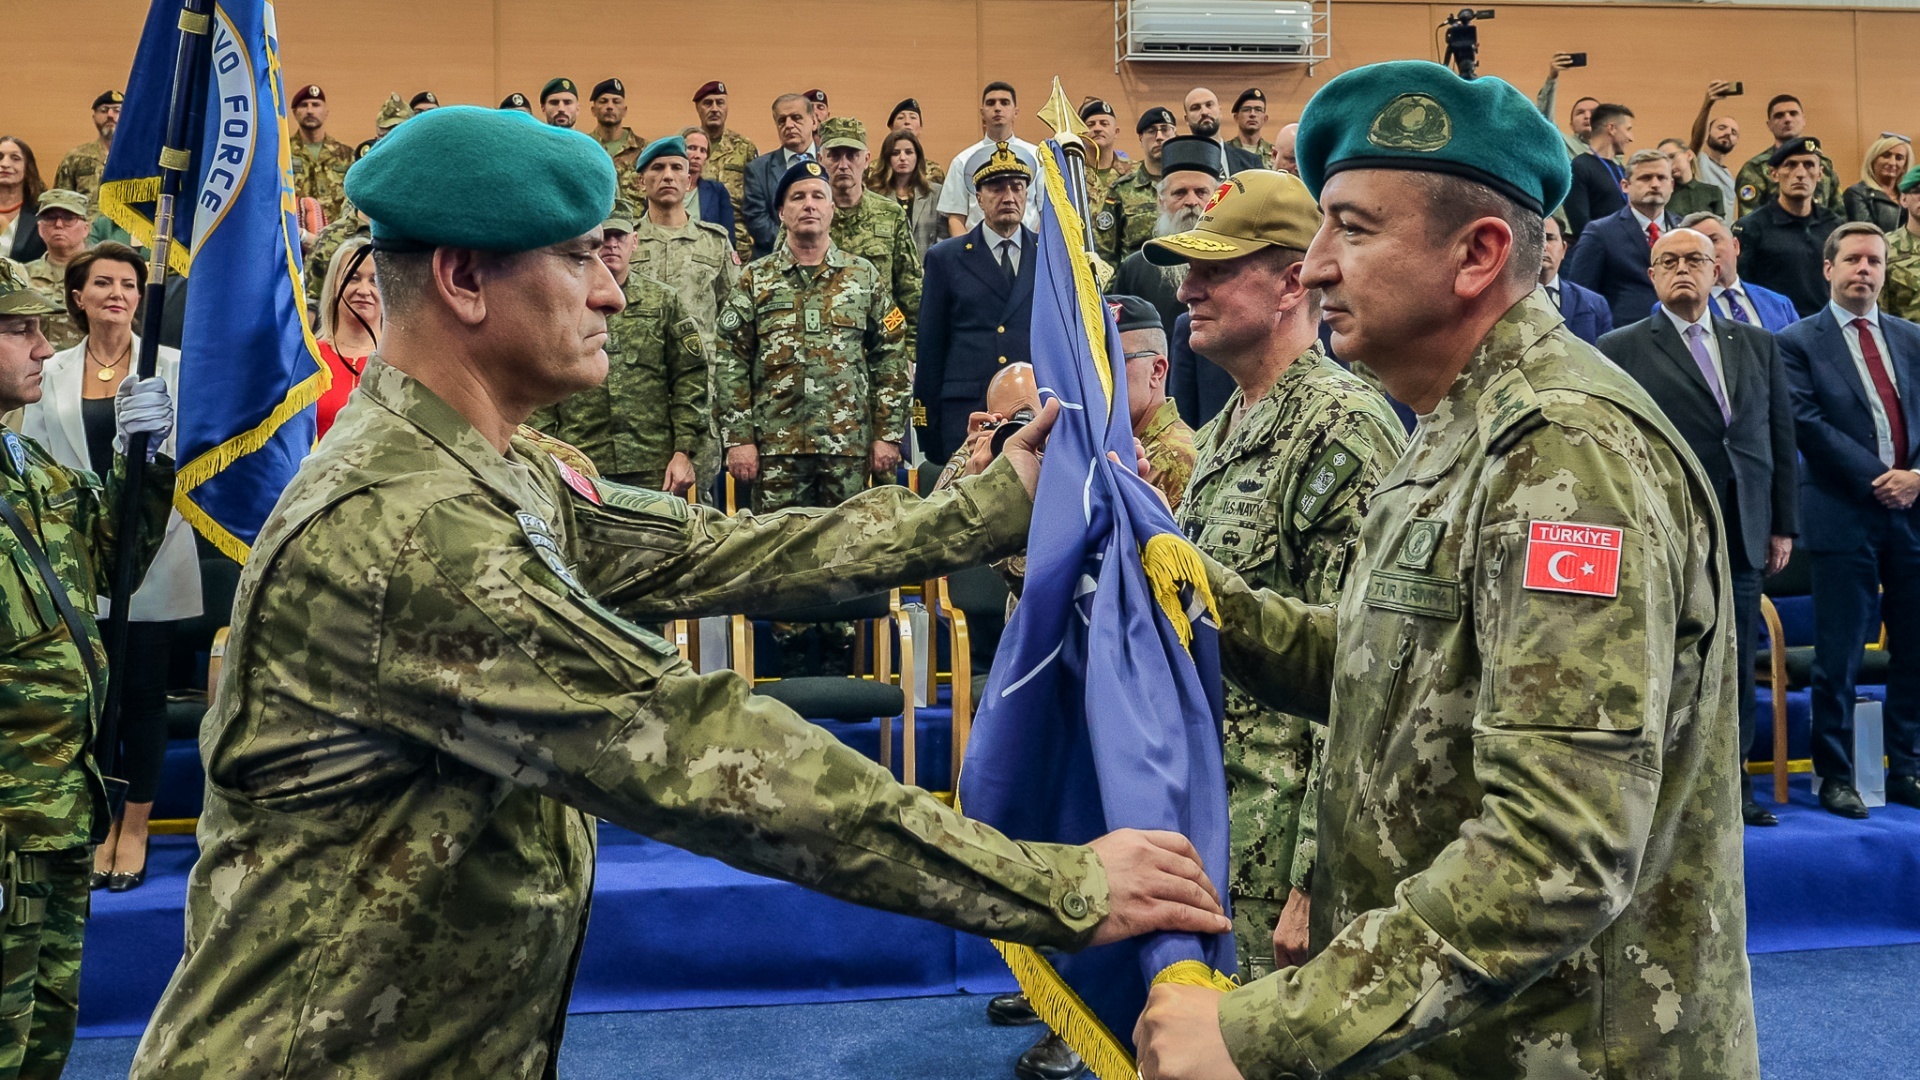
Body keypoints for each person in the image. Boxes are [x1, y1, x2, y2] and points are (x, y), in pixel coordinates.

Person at [125, 107, 1231, 1079]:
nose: (615, 289)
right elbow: (703, 752)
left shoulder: (495, 465)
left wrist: (990, 504)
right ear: (463, 279)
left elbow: (715, 553)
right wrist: (1055, 885)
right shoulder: (407, 528)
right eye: (579, 259)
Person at [1131, 60, 1758, 1080]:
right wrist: (1190, 597)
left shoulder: (1564, 453)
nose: (1319, 266)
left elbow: (1554, 852)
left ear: (1478, 253)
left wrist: (1266, 1030)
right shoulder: (1455, 425)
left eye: (1354, 228)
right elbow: (1389, 667)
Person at [1144, 167, 1406, 985]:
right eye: (1189, 270)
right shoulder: (1221, 432)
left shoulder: (1340, 427)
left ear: (1293, 281)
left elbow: (1357, 674)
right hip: (1212, 829)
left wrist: (1313, 876)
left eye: (1215, 268)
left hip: (1277, 858)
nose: (1189, 289)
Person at [0, 259, 173, 1080]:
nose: (43, 346)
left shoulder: (32, 473)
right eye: (18, 328)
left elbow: (114, 562)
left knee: (40, 1031)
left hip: (60, 807)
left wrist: (145, 464)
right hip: (5, 821)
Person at [1598, 226, 1798, 827]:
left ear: (1717, 271)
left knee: (1736, 659)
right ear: (1652, 276)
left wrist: (1781, 524)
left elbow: (1777, 437)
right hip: (1665, 529)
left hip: (1743, 527)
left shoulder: (1758, 344)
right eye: (1670, 261)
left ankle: (1733, 785)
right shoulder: (1620, 346)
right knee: (1665, 659)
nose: (1684, 269)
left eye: (1696, 259)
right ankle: (1664, 789)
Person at [19, 242, 199, 895]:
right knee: (92, 698)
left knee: (145, 698)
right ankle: (95, 824)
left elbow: (191, 450)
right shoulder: (53, 368)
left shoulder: (172, 367)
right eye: (103, 282)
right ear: (78, 295)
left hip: (152, 552)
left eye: (128, 283)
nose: (117, 293)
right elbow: (35, 449)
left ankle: (136, 828)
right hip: (74, 551)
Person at [1776, 221, 1920, 819]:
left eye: (1875, 261)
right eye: (1854, 259)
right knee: (1839, 654)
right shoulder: (1795, 341)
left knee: (1915, 648)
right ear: (1828, 268)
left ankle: (1907, 765)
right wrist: (1877, 478)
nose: (1865, 269)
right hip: (1842, 512)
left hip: (1914, 511)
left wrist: (1915, 478)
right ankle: (1836, 774)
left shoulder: (1914, 338)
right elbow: (1806, 422)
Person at [716, 158, 908, 514]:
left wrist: (888, 435)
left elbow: (891, 358)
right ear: (781, 212)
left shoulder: (863, 276)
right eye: (798, 197)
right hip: (775, 450)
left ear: (832, 210)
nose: (809, 205)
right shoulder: (755, 279)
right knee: (778, 556)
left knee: (847, 553)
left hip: (847, 448)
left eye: (819, 197)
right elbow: (730, 361)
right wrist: (738, 439)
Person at [529, 199, 706, 496]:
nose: (612, 245)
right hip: (580, 460)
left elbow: (690, 379)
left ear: (634, 241)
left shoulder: (663, 302)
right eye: (604, 237)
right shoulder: (564, 300)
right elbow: (542, 374)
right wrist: (546, 448)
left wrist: (684, 451)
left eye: (619, 237)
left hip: (652, 462)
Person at [915, 146, 1037, 461]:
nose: (1008, 195)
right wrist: (927, 428)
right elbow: (930, 348)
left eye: (1017, 186)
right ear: (978, 198)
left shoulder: (1051, 255)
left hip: (1032, 414)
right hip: (968, 414)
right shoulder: (946, 258)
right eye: (996, 187)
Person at [819, 118, 922, 355]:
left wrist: (911, 351)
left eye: (852, 155)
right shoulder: (808, 215)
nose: (843, 165)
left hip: (881, 348)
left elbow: (911, 291)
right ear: (820, 160)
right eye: (834, 155)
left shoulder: (890, 214)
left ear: (866, 160)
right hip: (822, 354)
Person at [1111, 137, 1221, 335]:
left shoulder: (1238, 262)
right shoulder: (1134, 269)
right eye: (1180, 193)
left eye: (1201, 192)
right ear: (1161, 201)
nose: (1191, 201)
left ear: (1217, 198)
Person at [1565, 148, 1680, 327]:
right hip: (1623, 338)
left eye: (1661, 177)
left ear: (1672, 185)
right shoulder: (1599, 232)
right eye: (1645, 178)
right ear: (1625, 186)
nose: (1655, 184)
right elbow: (1581, 298)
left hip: (1681, 334)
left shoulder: (1686, 230)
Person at [1735, 136, 1844, 317]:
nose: (1800, 173)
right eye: (1790, 165)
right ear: (1774, 174)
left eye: (1809, 165)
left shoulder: (1835, 226)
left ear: (1820, 173)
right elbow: (1742, 289)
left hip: (1826, 327)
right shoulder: (1751, 227)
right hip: (1776, 327)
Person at [938, 82, 1043, 238]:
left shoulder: (1038, 157)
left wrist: (1035, 250)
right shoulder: (963, 160)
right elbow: (956, 218)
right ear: (982, 112)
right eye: (991, 103)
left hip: (1028, 251)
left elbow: (1046, 213)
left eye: (1005, 102)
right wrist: (967, 255)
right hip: (978, 252)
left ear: (1016, 112)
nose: (998, 108)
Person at [1680, 211, 1799, 331]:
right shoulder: (1679, 308)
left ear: (1735, 246)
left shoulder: (1779, 304)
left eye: (1714, 240)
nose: (1707, 249)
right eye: (1697, 246)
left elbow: (1797, 348)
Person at [313, 237, 380, 439]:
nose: (364, 290)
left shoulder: (402, 363)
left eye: (375, 281)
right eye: (353, 278)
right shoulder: (308, 359)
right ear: (334, 285)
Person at [1094, 107, 1179, 263]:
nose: (1159, 137)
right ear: (1140, 138)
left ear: (1175, 135)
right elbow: (1106, 255)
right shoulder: (1121, 190)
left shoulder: (1190, 188)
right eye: (1151, 131)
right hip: (1135, 282)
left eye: (1165, 130)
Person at [1735, 94, 1842, 217]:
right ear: (1769, 125)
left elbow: (1839, 217)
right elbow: (1749, 221)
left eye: (1793, 113)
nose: (1787, 119)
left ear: (1804, 120)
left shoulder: (1824, 165)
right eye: (1779, 116)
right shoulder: (1755, 168)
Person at [742, 93, 819, 259]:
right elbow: (757, 221)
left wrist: (820, 246)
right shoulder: (758, 169)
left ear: (813, 121)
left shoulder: (832, 162)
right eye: (782, 120)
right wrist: (797, 246)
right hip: (775, 260)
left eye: (796, 118)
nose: (789, 125)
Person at [694, 80, 759, 257]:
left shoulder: (744, 148)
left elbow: (756, 198)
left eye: (720, 103)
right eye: (708, 103)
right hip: (694, 239)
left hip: (738, 242)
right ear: (698, 108)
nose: (715, 108)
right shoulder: (687, 145)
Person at [24, 190, 89, 352]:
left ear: (86, 229)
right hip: (35, 368)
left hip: (85, 367)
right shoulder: (21, 276)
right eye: (50, 218)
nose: (58, 225)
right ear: (40, 229)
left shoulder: (101, 276)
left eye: (69, 218)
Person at [868, 128, 944, 260]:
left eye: (909, 152)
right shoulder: (874, 195)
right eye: (895, 153)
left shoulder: (935, 193)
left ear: (918, 157)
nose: (902, 158)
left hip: (928, 271)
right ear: (887, 158)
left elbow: (944, 239)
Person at [1563, 102, 1632, 242]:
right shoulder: (1579, 166)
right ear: (1611, 128)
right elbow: (1581, 225)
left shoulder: (1621, 169)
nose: (1631, 138)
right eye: (1628, 129)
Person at [288, 84, 355, 226]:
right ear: (294, 113)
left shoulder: (346, 155)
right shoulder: (283, 154)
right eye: (304, 105)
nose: (310, 111)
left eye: (316, 105)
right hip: (297, 237)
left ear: (326, 112)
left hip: (338, 238)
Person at [1539, 213, 1610, 344]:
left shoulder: (1594, 303)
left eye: (1550, 238)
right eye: (1536, 238)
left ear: (1564, 249)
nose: (1543, 246)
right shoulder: (1502, 300)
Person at [52, 90, 121, 215]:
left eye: (117, 110)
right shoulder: (75, 157)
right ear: (94, 117)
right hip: (86, 231)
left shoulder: (138, 159)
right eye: (104, 110)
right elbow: (61, 204)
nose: (110, 115)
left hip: (126, 231)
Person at [675, 127, 742, 252]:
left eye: (703, 151)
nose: (697, 155)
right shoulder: (665, 187)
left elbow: (728, 239)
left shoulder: (717, 191)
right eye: (692, 148)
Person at [586, 78, 645, 206]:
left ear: (625, 110)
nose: (610, 107)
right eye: (603, 101)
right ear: (593, 110)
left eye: (616, 102)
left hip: (635, 223)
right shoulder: (584, 148)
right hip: (595, 223)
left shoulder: (644, 150)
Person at [1688, 81, 1742, 215]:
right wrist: (1707, 105)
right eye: (1721, 128)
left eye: (1733, 132)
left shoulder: (1730, 177)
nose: (1728, 133)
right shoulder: (1698, 161)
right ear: (1707, 133)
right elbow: (1696, 140)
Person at [1182, 88, 1262, 174]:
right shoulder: (1180, 163)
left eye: (1209, 105)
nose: (1204, 112)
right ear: (1187, 119)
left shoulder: (1251, 162)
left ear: (1220, 112)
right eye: (1195, 108)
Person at [1844, 135, 1910, 232]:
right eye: (1886, 155)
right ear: (1873, 160)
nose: (1892, 163)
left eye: (1899, 158)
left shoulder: (1909, 195)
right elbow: (1867, 235)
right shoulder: (1856, 193)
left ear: (1905, 165)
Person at [1532, 53, 1592, 158]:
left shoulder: (1615, 156)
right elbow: (1544, 121)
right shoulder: (1563, 143)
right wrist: (1552, 78)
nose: (1587, 116)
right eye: (1580, 113)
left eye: (1594, 113)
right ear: (1572, 125)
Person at [1079, 99, 1135, 211]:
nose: (1097, 129)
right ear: (1080, 133)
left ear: (1116, 132)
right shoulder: (1070, 172)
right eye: (1090, 125)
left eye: (1104, 124)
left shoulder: (1135, 172)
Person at [0, 137, 48, 263]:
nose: (5, 164)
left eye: (15, 158)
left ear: (27, 169)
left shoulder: (42, 213)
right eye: (0, 157)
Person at [1883, 166, 1920, 323]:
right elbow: (1878, 314)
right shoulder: (1885, 247)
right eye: (1918, 191)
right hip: (1906, 343)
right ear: (1903, 199)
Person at [1661, 138, 1726, 219]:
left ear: (1689, 155)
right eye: (1665, 161)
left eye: (1672, 156)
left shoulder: (1713, 192)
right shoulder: (1662, 194)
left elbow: (1721, 227)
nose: (1669, 164)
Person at [887, 98, 947, 185]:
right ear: (891, 127)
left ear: (920, 128)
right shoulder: (874, 171)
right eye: (900, 118)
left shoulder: (934, 171)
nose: (907, 122)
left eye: (913, 117)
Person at [1228, 89, 1274, 168]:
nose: (1252, 114)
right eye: (1246, 110)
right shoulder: (1225, 152)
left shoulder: (1274, 153)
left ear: (1265, 119)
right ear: (1236, 118)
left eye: (1258, 110)